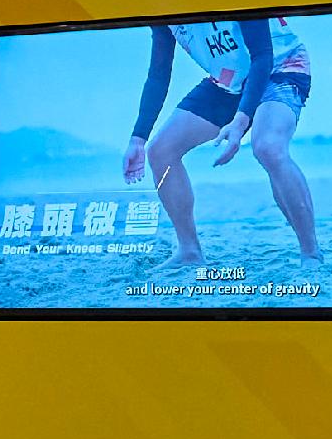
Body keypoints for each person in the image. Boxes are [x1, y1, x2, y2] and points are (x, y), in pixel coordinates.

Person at [120, 16, 318, 270]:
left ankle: (310, 253)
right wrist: (138, 138)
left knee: (268, 147)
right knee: (160, 151)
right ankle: (189, 251)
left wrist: (241, 120)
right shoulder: (163, 11)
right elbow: (159, 73)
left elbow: (262, 55)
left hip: (278, 68)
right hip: (229, 82)